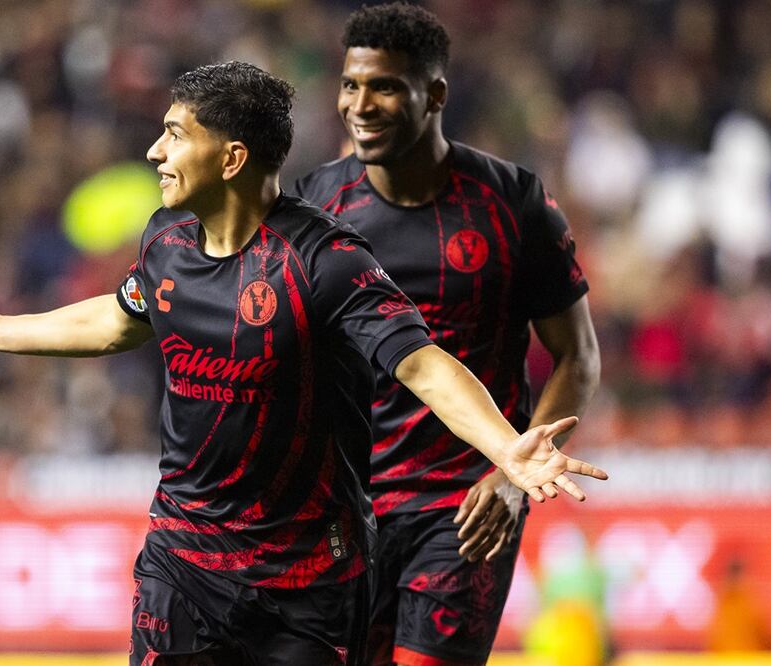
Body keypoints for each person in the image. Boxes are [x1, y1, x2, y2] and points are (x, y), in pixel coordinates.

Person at [0, 61, 605, 666]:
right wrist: (0, 331)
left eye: (175, 135)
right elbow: (121, 320)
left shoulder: (327, 262)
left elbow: (423, 366)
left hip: (308, 578)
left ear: (232, 158)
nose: (154, 151)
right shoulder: (164, 242)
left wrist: (507, 449)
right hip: (185, 559)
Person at [290, 4, 601, 665]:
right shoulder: (314, 207)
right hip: (343, 512)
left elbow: (577, 355)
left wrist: (513, 476)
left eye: (384, 87)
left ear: (434, 94)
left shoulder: (512, 203)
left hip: (464, 506)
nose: (361, 105)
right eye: (351, 85)